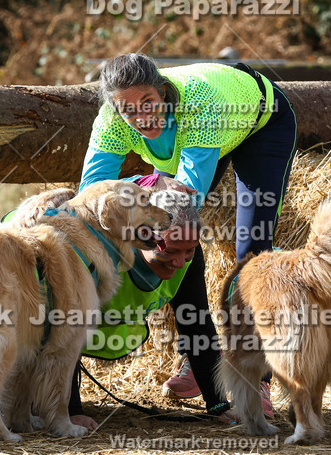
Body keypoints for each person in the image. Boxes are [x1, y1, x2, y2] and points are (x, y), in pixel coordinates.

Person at [80, 53, 297, 408]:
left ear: (163, 92)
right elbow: (91, 193)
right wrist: (147, 185)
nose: (141, 116)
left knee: (251, 250)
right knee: (169, 237)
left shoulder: (199, 105)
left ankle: (256, 377)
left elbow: (184, 204)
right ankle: (200, 360)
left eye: (148, 102)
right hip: (200, 137)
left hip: (259, 123)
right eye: (128, 110)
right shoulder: (111, 119)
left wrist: (146, 207)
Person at [67, 185, 242, 429]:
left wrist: (218, 406)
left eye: (189, 250)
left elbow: (196, 325)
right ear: (143, 236)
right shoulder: (99, 251)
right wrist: (71, 411)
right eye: (169, 251)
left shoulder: (187, 256)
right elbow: (62, 328)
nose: (180, 262)